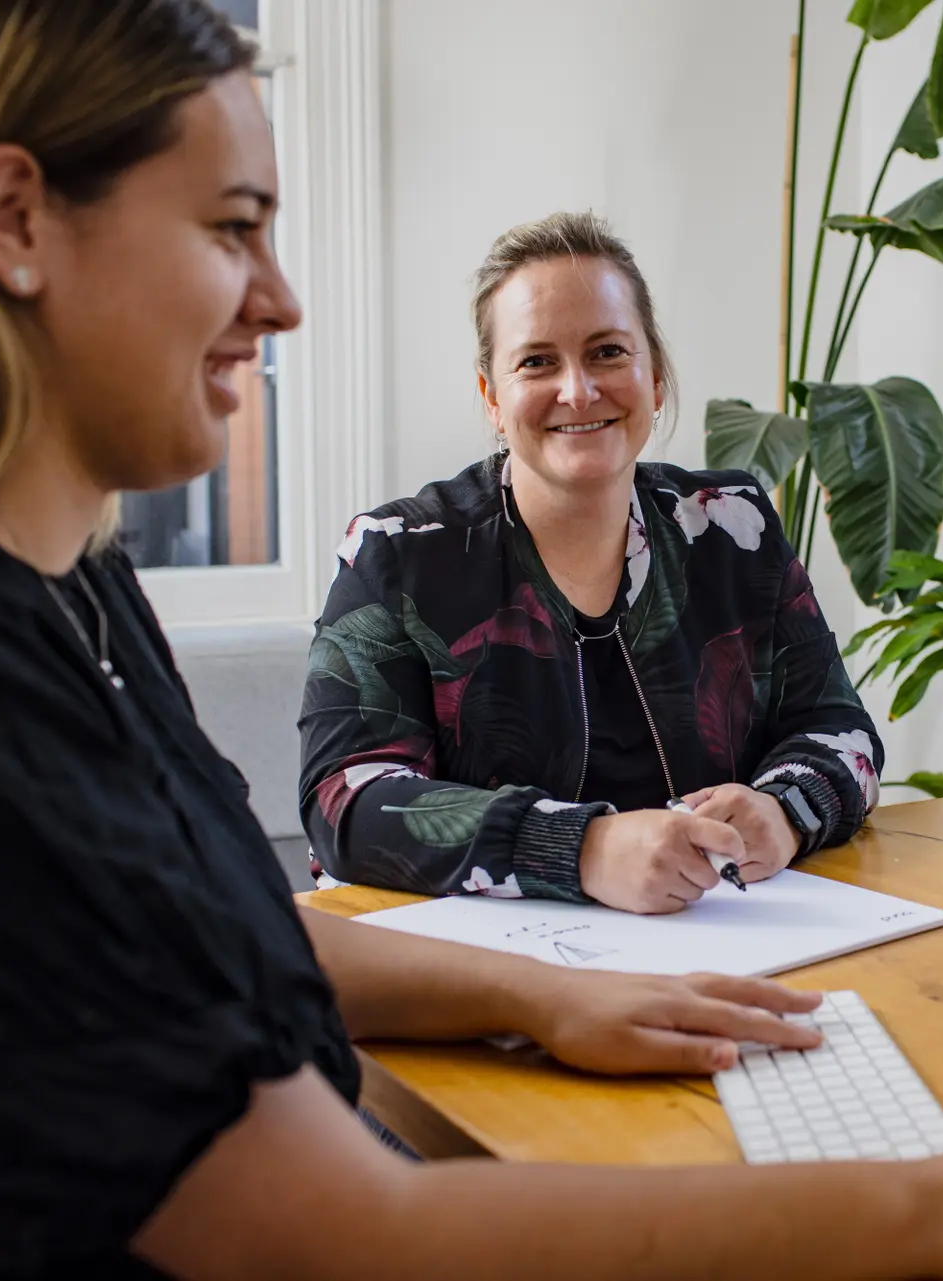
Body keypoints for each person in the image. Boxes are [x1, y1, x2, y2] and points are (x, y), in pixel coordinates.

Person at [0, 3, 943, 1278]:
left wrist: (552, 993)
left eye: (609, 353)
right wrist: (924, 1207)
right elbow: (342, 1233)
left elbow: (219, 920)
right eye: (233, 230)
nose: (277, 300)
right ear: (16, 221)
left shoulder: (69, 581)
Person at [297, 213, 885, 913]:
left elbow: (840, 728)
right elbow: (346, 799)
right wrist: (583, 848)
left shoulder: (733, 526)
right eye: (537, 361)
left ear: (655, 377)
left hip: (721, 941)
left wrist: (784, 810)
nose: (578, 391)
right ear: (492, 396)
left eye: (607, 352)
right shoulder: (397, 553)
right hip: (499, 977)